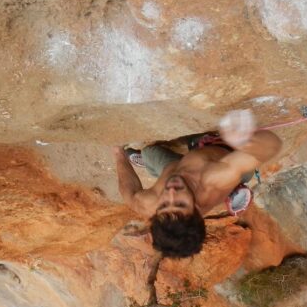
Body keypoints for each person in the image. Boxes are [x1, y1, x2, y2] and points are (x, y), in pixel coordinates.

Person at [112, 109, 282, 258]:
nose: (171, 192)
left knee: (149, 153)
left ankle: (147, 159)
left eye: (164, 205)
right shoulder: (214, 178)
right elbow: (272, 145)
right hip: (225, 157)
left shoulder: (150, 205)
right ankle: (233, 191)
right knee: (234, 168)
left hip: (177, 165)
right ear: (197, 210)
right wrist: (244, 141)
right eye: (180, 203)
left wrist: (118, 153)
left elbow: (131, 194)